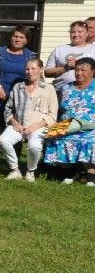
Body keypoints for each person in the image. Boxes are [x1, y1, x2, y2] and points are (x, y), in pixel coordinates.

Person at [0, 58, 57, 182]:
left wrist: (34, 127)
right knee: (4, 140)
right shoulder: (18, 87)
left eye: (33, 68)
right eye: (27, 69)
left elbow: (52, 115)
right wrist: (14, 122)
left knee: (34, 146)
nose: (29, 72)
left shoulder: (49, 89)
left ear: (41, 70)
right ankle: (15, 170)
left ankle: (30, 171)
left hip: (39, 126)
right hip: (19, 125)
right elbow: (8, 109)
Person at [44, 56, 95, 185]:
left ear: (93, 71)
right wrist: (58, 126)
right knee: (56, 136)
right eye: (77, 70)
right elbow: (60, 109)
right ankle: (73, 170)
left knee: (91, 139)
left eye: (83, 70)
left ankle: (91, 173)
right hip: (69, 124)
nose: (79, 73)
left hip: (91, 125)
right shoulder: (66, 88)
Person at [0, 25, 33, 136]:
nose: (17, 39)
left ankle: (14, 154)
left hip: (19, 102)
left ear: (26, 40)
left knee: (16, 132)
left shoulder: (31, 56)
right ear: (11, 37)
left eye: (21, 37)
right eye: (15, 36)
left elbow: (35, 78)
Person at [44, 20, 90, 103]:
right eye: (73, 32)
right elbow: (47, 72)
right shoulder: (59, 49)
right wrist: (65, 67)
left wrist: (79, 66)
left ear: (87, 33)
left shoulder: (93, 49)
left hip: (88, 94)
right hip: (59, 93)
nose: (76, 35)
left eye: (80, 32)